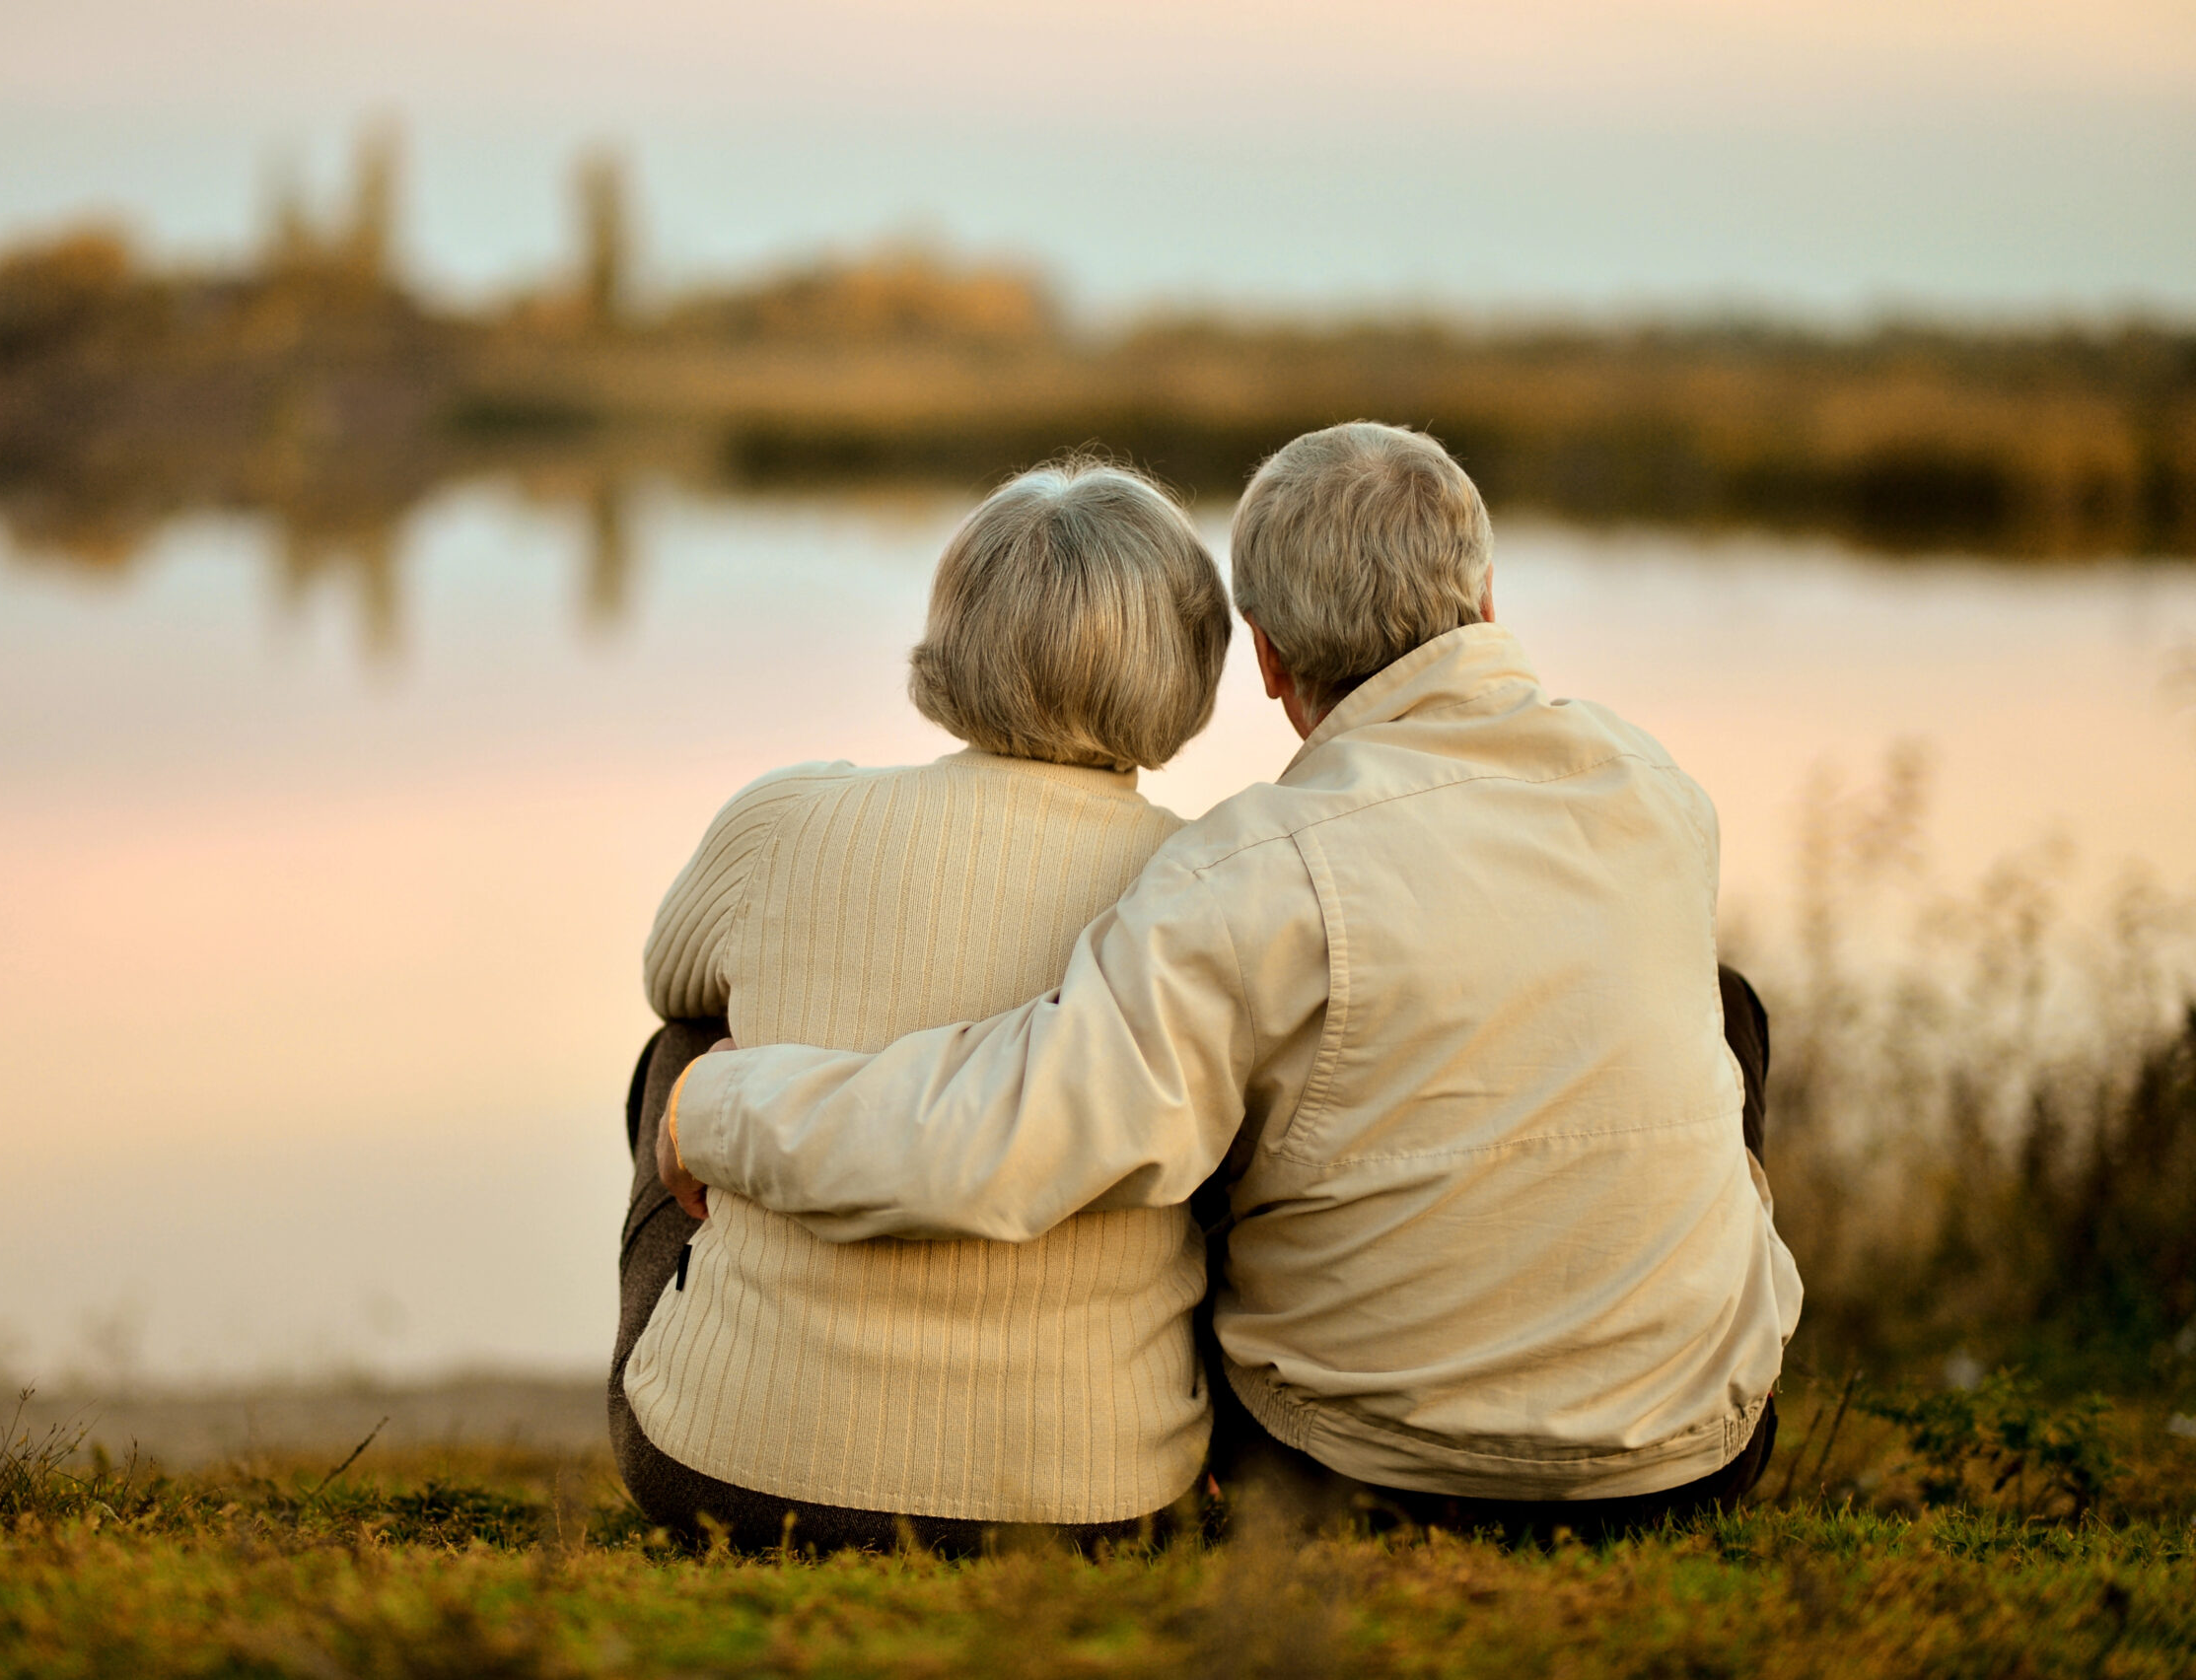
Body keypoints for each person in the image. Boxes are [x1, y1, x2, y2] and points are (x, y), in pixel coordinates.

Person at [662, 421, 1804, 1541]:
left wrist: (712, 1102)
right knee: (1723, 1006)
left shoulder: (1253, 871)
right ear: (1489, 597)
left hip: (1360, 1467)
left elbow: (1016, 1132)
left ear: (1261, 656)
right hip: (1692, 1457)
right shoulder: (1659, 791)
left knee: (1212, 1098)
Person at [612, 456, 1233, 1553]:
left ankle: (740, 1359)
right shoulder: (1208, 884)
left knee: (686, 1048)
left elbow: (672, 978)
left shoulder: (786, 819)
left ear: (953, 637)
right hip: (1097, 1497)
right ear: (1190, 662)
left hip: (728, 1471)